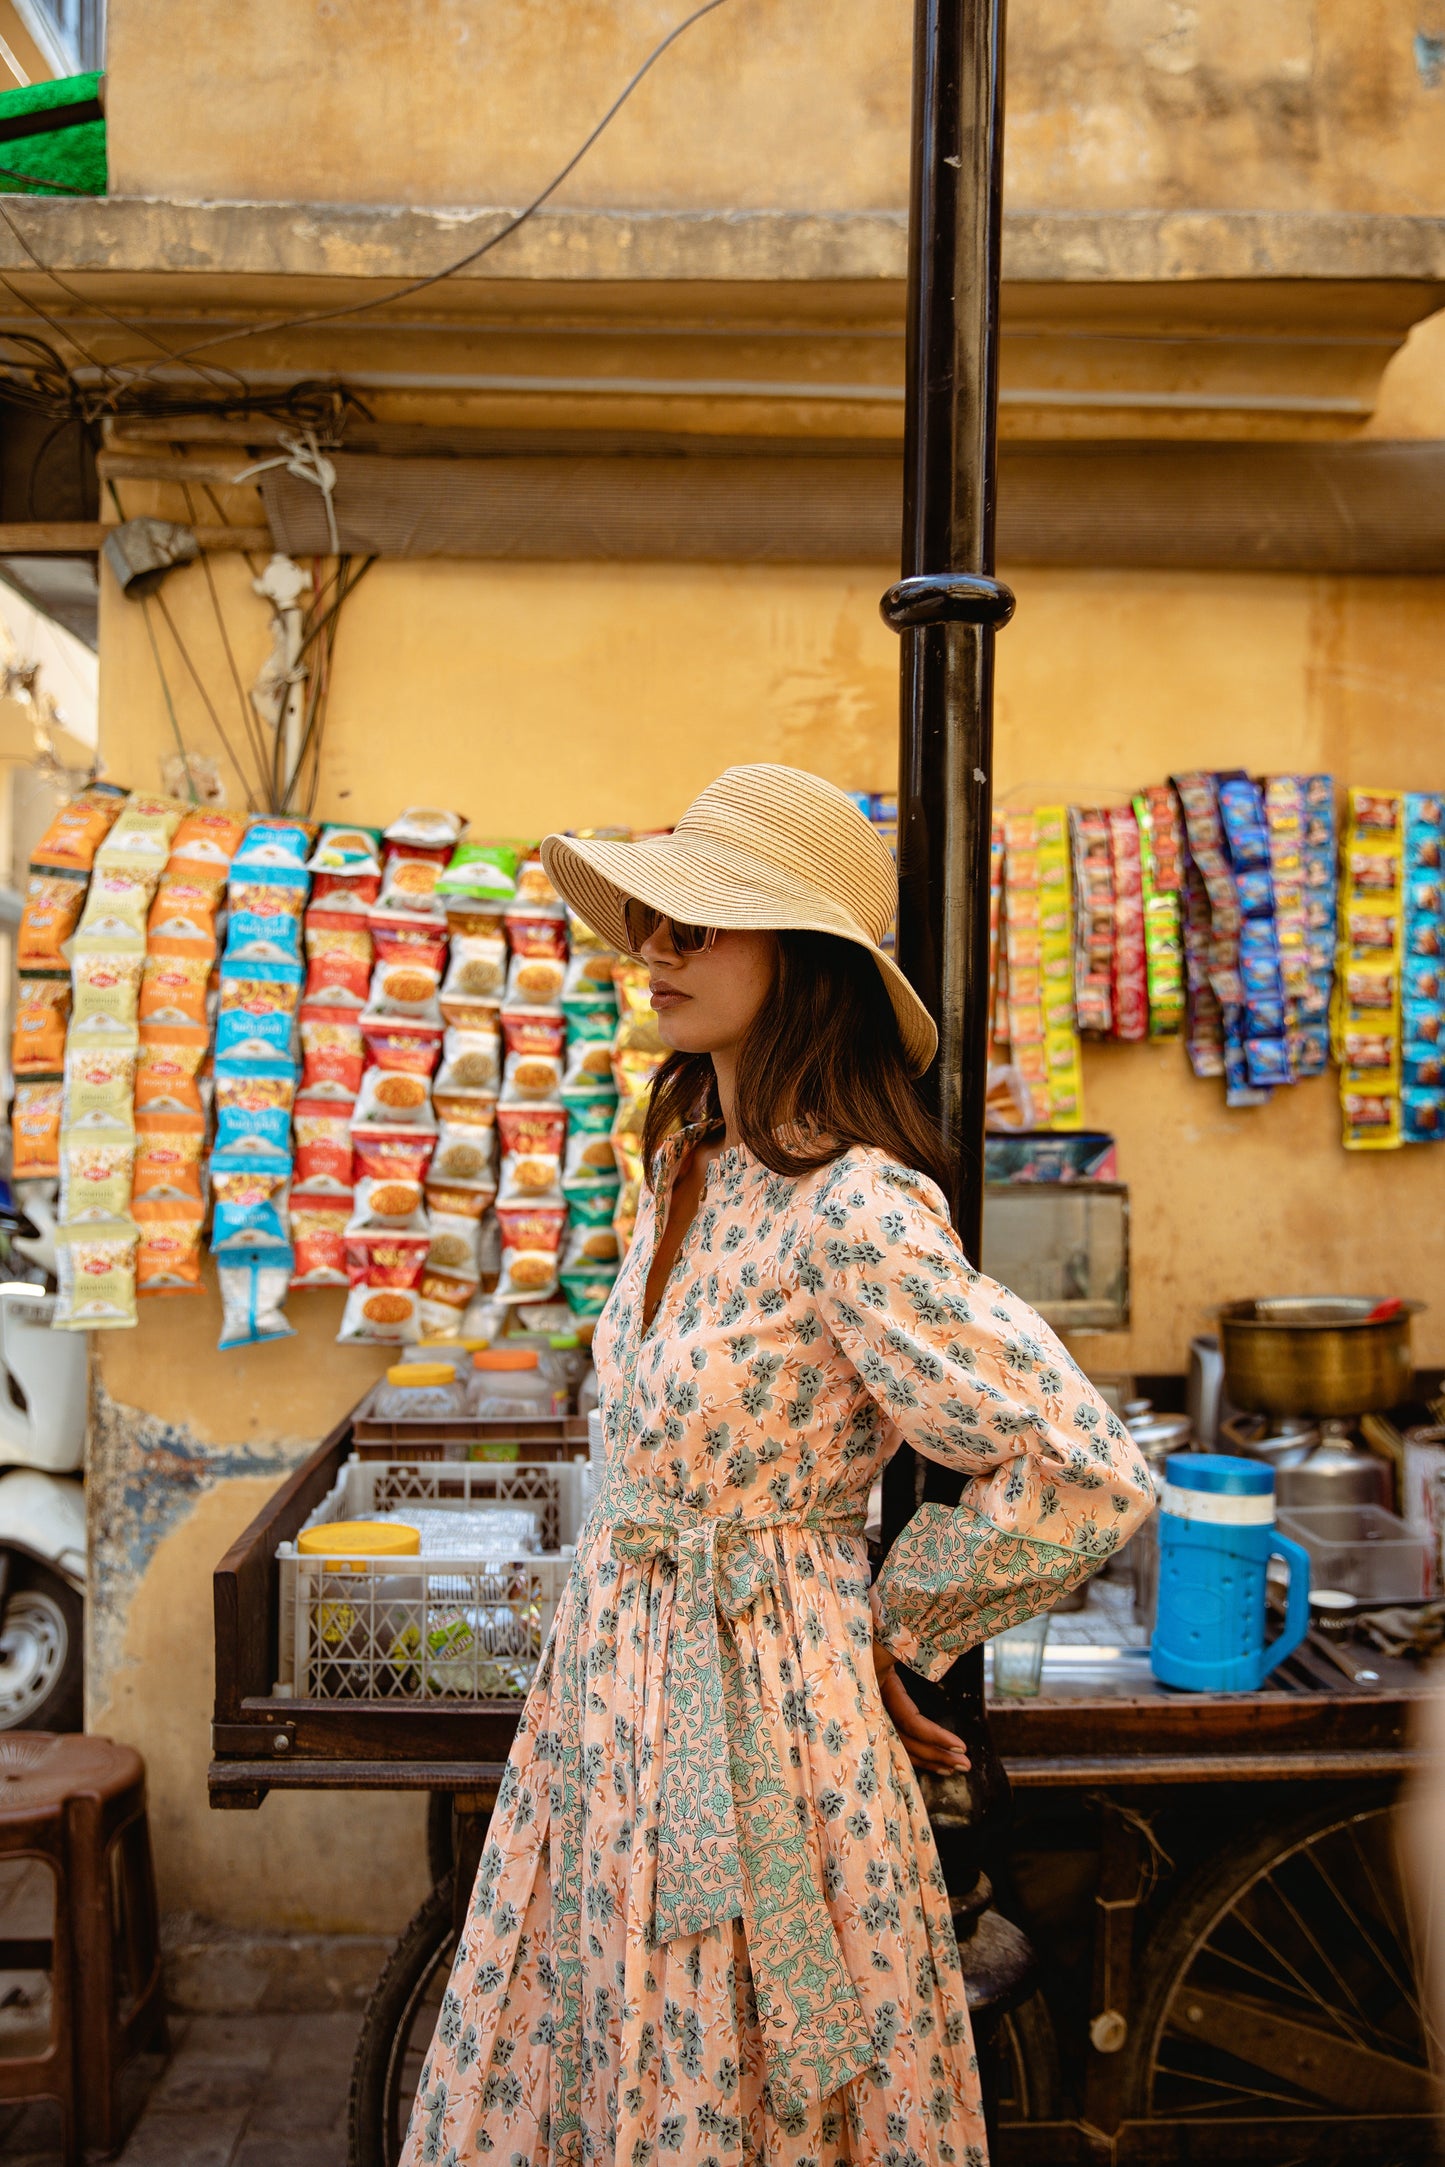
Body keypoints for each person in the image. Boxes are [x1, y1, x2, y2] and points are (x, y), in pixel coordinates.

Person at [403, 764, 1154, 2167]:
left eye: (699, 924)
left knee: (754, 2075)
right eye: (654, 920)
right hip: (612, 1700)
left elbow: (1079, 1466)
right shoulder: (690, 1162)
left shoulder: (855, 1207)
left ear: (803, 963)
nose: (655, 949)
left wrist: (888, 1621)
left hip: (767, 1720)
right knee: (618, 2043)